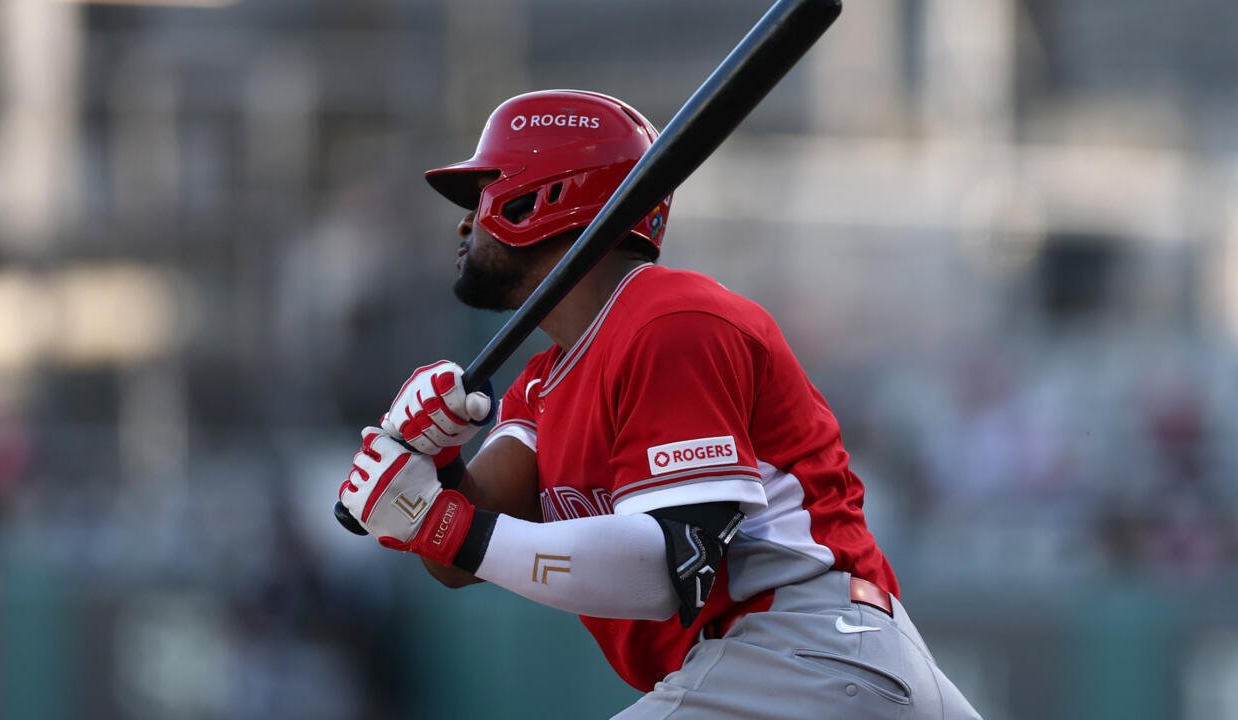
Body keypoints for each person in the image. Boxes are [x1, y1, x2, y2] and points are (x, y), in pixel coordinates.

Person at [337, 90, 981, 719]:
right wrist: (436, 464)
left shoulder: (672, 319)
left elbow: (668, 568)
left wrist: (440, 523)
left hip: (804, 648)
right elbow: (462, 556)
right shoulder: (542, 381)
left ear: (538, 199)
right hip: (790, 668)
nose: (465, 222)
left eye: (483, 194)